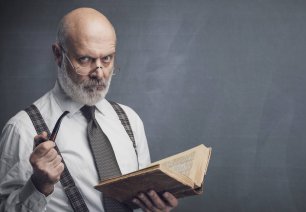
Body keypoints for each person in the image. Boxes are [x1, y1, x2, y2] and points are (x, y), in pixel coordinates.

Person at [0, 7, 178, 212]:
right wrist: (39, 186)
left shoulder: (130, 120)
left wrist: (156, 208)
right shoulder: (22, 129)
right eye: (85, 59)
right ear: (59, 55)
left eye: (107, 59)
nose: (100, 74)